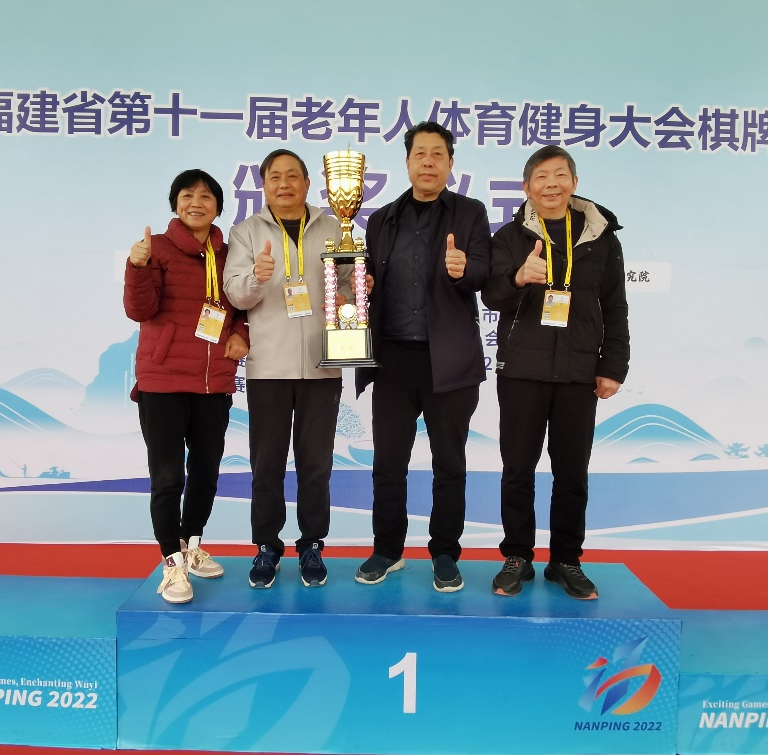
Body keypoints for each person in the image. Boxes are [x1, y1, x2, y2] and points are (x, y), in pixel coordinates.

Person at [481, 145, 630, 600]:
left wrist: (613, 366)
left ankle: (566, 561)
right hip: (521, 369)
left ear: (574, 183)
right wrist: (518, 278)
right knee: (517, 469)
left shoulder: (602, 238)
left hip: (579, 371)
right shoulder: (509, 236)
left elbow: (615, 306)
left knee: (572, 473)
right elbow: (491, 296)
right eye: (542, 177)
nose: (552, 184)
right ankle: (517, 557)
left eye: (560, 175)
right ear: (527, 188)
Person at [353, 122, 492, 592]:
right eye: (420, 153)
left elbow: (486, 273)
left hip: (449, 360)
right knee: (388, 462)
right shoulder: (381, 219)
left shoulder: (470, 213)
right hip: (393, 358)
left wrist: (464, 268)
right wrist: (363, 286)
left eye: (437, 154)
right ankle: (387, 549)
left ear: (451, 163)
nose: (428, 161)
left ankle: (445, 552)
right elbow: (369, 280)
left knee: (449, 463)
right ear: (407, 162)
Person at [224, 149, 350, 589]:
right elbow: (236, 295)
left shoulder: (335, 228)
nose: (284, 184)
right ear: (263, 185)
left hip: (322, 364)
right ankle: (267, 546)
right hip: (268, 367)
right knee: (267, 465)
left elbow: (349, 286)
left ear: (307, 183)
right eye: (274, 176)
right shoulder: (245, 232)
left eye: (292, 176)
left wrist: (356, 289)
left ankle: (312, 543)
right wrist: (257, 276)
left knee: (316, 464)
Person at [124, 169, 249, 604]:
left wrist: (242, 335)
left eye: (206, 196)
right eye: (187, 195)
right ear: (175, 203)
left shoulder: (229, 254)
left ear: (218, 206)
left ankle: (191, 545)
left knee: (206, 472)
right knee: (168, 476)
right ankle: (171, 563)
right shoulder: (156, 248)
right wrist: (137, 266)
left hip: (213, 382)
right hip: (162, 381)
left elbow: (242, 307)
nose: (196, 202)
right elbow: (140, 309)